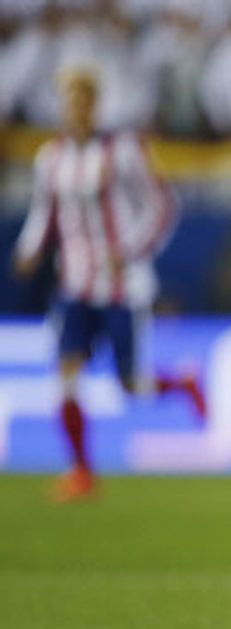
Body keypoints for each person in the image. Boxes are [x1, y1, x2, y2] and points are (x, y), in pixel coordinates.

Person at [11, 68, 205, 502]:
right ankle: (81, 471)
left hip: (122, 285)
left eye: (83, 100)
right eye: (69, 100)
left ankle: (185, 383)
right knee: (65, 374)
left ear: (94, 105)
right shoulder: (51, 157)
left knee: (131, 385)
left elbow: (161, 206)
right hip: (74, 283)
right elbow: (46, 212)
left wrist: (131, 250)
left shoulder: (122, 151)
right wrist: (29, 249)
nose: (76, 109)